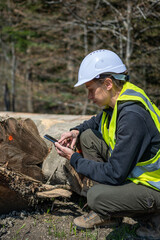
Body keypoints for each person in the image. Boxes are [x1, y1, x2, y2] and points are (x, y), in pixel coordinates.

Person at [54, 49, 160, 239]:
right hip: (137, 175)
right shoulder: (118, 101)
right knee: (86, 136)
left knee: (97, 197)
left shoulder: (132, 117)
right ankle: (110, 215)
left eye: (90, 89)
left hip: (155, 187)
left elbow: (115, 174)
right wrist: (75, 131)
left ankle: (155, 220)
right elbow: (95, 122)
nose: (89, 96)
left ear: (108, 83)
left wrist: (74, 158)